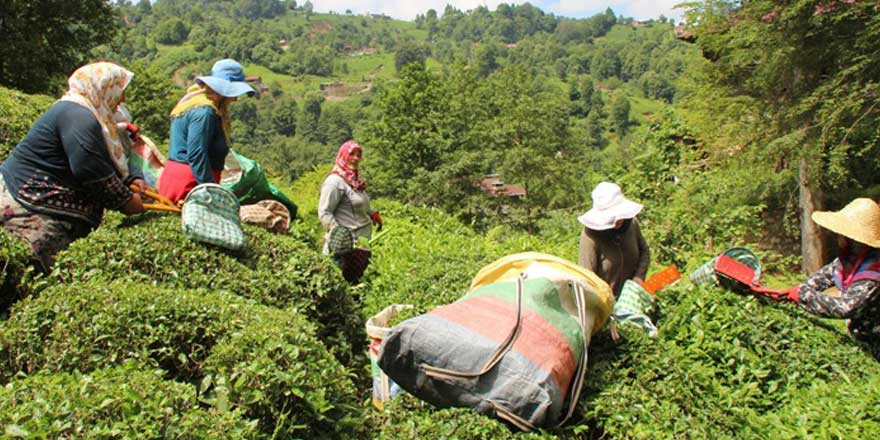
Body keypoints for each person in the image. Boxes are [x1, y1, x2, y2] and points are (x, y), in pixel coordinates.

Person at [0, 61, 145, 271]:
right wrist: (126, 201)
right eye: (120, 90)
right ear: (103, 87)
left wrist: (130, 181)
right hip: (29, 205)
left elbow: (102, 157)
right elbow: (89, 168)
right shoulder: (78, 115)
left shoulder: (90, 115)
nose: (122, 98)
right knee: (25, 272)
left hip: (40, 203)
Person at [756, 198, 880, 359]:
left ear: (854, 240)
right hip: (862, 340)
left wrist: (802, 295)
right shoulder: (848, 260)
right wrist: (787, 294)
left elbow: (846, 307)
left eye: (842, 235)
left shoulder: (873, 272)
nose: (838, 237)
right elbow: (818, 280)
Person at [158, 59, 254, 203]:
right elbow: (196, 154)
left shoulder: (191, 103)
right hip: (189, 184)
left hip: (184, 178)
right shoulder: (204, 112)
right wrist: (212, 192)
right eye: (234, 93)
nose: (235, 99)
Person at [318, 140, 382, 283]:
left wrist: (372, 213)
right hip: (344, 247)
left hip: (361, 243)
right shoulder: (334, 182)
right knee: (338, 282)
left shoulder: (354, 180)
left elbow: (359, 203)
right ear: (343, 155)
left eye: (359, 154)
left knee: (354, 283)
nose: (356, 158)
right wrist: (338, 234)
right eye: (352, 154)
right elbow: (324, 212)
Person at [577, 181, 650, 297]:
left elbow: (644, 251)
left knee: (669, 276)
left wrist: (639, 277)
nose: (618, 221)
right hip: (605, 302)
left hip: (633, 295)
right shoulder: (590, 235)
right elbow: (587, 279)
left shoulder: (632, 224)